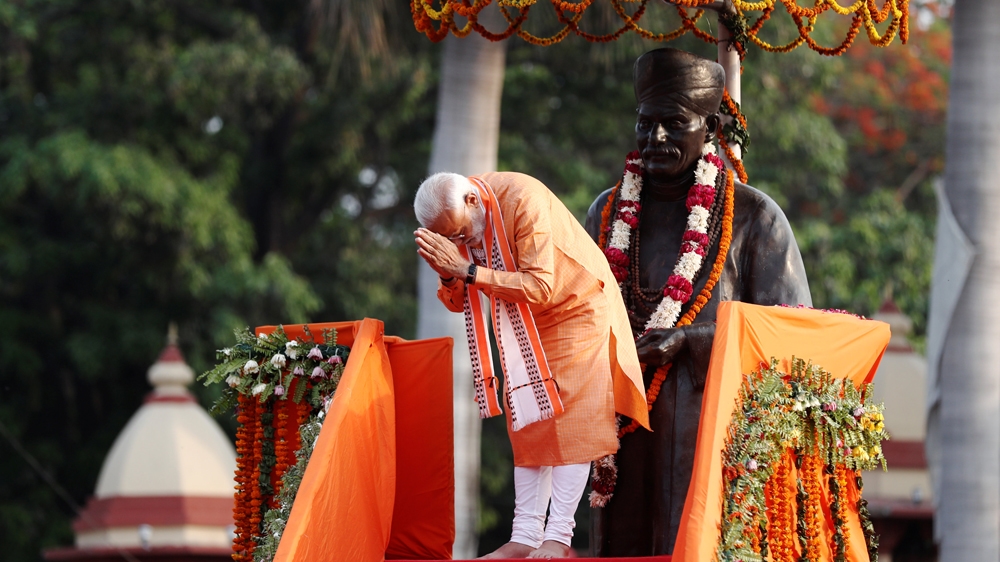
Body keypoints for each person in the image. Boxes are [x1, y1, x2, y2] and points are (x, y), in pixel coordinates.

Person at [583, 48, 813, 556]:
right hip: (621, 425)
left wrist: (691, 341)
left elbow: (790, 333)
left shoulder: (754, 216)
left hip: (708, 422)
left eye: (673, 123)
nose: (656, 138)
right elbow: (576, 312)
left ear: (709, 128)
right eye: (646, 123)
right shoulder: (607, 211)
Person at [414, 171, 648, 559]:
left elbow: (541, 286)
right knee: (527, 419)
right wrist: (446, 271)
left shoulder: (523, 199)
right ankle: (524, 535)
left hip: (577, 307)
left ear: (472, 201)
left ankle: (558, 535)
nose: (461, 243)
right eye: (451, 239)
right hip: (524, 321)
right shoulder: (458, 222)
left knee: (573, 420)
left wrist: (466, 270)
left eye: (461, 234)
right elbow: (457, 302)